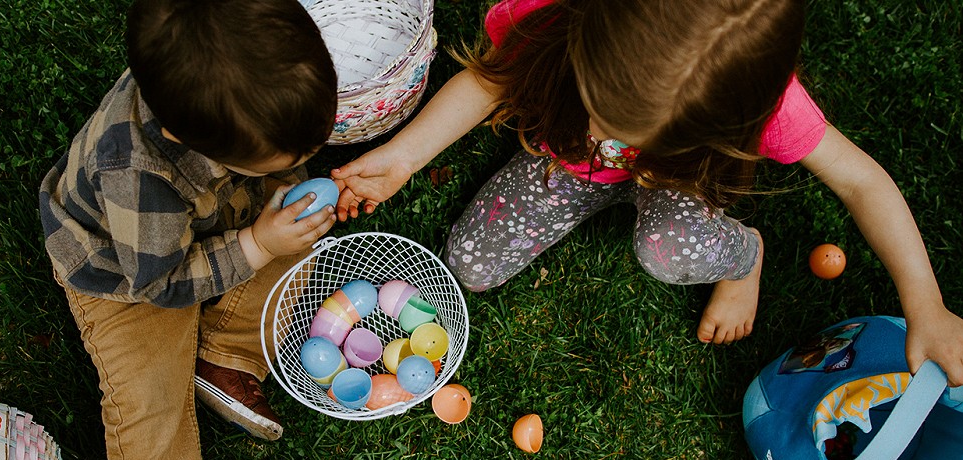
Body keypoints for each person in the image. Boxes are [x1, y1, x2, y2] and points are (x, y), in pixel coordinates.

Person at [331, 0, 963, 385]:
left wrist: (927, 306)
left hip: (678, 190)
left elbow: (862, 180)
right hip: (569, 172)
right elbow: (491, 81)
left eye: (622, 127)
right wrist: (403, 157)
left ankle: (744, 255)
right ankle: (599, 194)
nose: (597, 131)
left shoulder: (768, 107)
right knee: (469, 265)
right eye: (595, 102)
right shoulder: (558, 17)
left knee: (671, 251)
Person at [38, 0, 337, 460]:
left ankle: (223, 358)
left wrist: (278, 210)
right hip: (128, 274)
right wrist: (257, 243)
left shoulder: (221, 90)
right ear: (183, 137)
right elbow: (160, 283)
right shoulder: (138, 173)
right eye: (282, 157)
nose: (305, 159)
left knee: (306, 239)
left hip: (222, 214)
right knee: (151, 401)